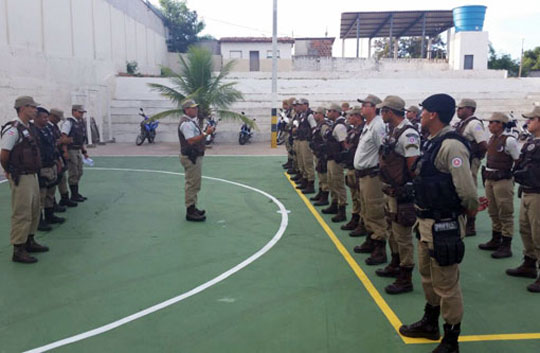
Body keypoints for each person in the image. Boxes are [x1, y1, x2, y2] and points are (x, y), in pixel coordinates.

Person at [399, 94, 478, 353]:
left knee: (446, 284)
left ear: (433, 114)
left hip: (443, 225)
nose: (420, 115)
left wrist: (466, 212)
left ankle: (451, 339)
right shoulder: (433, 142)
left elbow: (466, 190)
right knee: (428, 277)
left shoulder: (452, 146)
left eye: (423, 111)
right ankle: (430, 322)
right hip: (426, 222)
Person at [376, 96, 420, 294]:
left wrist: (406, 187)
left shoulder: (408, 133)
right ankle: (395, 263)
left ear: (389, 112)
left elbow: (413, 165)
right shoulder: (393, 131)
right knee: (392, 230)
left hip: (401, 192)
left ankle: (406, 276)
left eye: (383, 111)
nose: (381, 114)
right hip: (391, 189)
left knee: (402, 235)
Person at [0, 96, 49, 263]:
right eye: (32, 107)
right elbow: (4, 154)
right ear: (22, 108)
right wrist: (9, 171)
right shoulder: (13, 130)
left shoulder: (28, 128)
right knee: (22, 212)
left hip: (31, 175)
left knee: (35, 209)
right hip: (21, 176)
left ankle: (30, 240)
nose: (35, 110)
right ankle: (18, 249)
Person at [506, 106, 540, 292]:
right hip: (527, 191)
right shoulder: (530, 142)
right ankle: (529, 263)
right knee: (526, 229)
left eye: (532, 119)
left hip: (538, 194)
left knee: (538, 232)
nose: (527, 122)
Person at [479, 112, 520, 259]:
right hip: (490, 179)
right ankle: (496, 239)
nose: (489, 125)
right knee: (493, 210)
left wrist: (511, 175)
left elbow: (517, 160)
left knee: (505, 212)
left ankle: (506, 244)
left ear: (500, 124)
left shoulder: (509, 141)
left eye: (492, 122)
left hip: (502, 180)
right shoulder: (492, 139)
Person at [353, 94, 388, 265]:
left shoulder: (378, 126)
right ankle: (370, 240)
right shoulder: (369, 125)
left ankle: (380, 248)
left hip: (372, 176)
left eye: (365, 105)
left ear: (374, 107)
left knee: (375, 211)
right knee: (366, 210)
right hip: (364, 175)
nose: (362, 108)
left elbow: (384, 151)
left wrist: (379, 172)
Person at [454, 98, 488, 236]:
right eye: (459, 108)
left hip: (470, 161)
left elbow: (483, 144)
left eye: (462, 108)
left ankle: (471, 224)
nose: (459, 110)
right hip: (463, 161)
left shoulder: (474, 124)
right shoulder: (462, 124)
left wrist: (475, 158)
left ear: (471, 109)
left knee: (470, 190)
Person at [178, 99, 213, 222]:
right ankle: (190, 211)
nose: (196, 109)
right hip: (191, 157)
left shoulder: (190, 122)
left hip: (193, 156)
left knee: (194, 183)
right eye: (193, 108)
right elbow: (191, 140)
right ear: (187, 110)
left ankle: (193, 207)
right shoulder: (186, 124)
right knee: (192, 184)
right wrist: (205, 134)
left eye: (196, 107)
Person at [33, 107, 66, 231]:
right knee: (41, 195)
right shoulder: (33, 131)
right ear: (36, 118)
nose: (46, 120)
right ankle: (39, 221)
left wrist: (58, 160)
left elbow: (53, 146)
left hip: (51, 164)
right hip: (41, 167)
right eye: (44, 117)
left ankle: (49, 215)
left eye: (47, 117)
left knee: (50, 193)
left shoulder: (47, 129)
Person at [340, 106, 367, 235]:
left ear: (357, 116)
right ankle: (355, 218)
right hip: (351, 165)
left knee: (360, 197)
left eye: (351, 116)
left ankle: (362, 222)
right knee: (354, 196)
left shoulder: (363, 130)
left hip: (358, 168)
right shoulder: (353, 130)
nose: (348, 118)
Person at [322, 103, 349, 222]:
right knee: (331, 182)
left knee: (338, 184)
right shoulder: (334, 125)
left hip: (336, 159)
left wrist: (342, 158)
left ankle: (341, 209)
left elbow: (344, 144)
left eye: (330, 111)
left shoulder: (340, 126)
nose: (328, 113)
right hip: (331, 157)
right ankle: (334, 203)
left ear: (336, 112)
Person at [49, 108, 77, 208]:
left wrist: (64, 149)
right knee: (52, 182)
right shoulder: (47, 127)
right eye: (58, 118)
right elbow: (53, 142)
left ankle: (64, 198)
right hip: (52, 158)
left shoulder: (55, 126)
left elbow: (60, 140)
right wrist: (63, 142)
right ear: (52, 116)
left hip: (58, 155)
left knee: (62, 178)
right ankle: (52, 204)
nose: (59, 120)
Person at [61, 104, 90, 202]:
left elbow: (80, 139)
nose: (81, 114)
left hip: (77, 149)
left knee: (79, 171)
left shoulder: (80, 123)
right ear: (73, 111)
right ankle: (74, 195)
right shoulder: (68, 123)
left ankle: (76, 193)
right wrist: (65, 151)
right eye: (80, 112)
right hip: (71, 149)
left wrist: (84, 151)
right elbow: (64, 137)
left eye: (82, 112)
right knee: (73, 172)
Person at [292, 98, 316, 194]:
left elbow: (314, 128)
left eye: (301, 105)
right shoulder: (302, 115)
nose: (299, 107)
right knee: (302, 161)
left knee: (307, 162)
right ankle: (305, 180)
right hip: (301, 139)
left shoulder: (309, 115)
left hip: (306, 140)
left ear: (306, 105)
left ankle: (310, 183)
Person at [309, 106, 331, 205]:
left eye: (317, 113)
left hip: (322, 155)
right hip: (317, 154)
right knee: (320, 174)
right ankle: (320, 192)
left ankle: (325, 196)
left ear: (321, 114)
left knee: (323, 176)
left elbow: (326, 141)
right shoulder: (319, 125)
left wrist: (320, 149)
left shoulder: (324, 126)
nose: (314, 115)